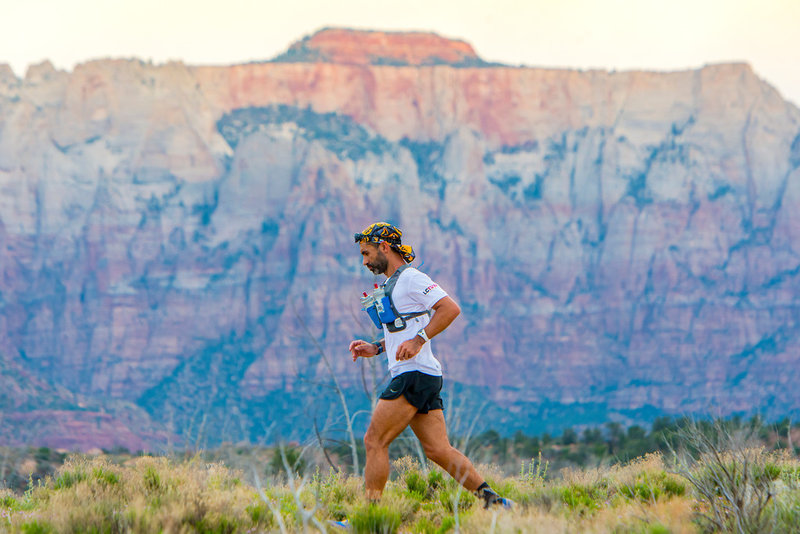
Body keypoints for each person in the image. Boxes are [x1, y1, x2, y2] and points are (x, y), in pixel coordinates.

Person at [349, 222, 512, 509]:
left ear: (384, 247)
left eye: (366, 253)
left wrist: (420, 340)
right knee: (438, 449)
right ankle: (494, 502)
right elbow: (405, 329)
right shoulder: (392, 284)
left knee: (374, 441)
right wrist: (376, 348)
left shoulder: (411, 278)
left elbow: (450, 308)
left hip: (412, 374)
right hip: (425, 375)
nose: (364, 262)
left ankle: (368, 515)